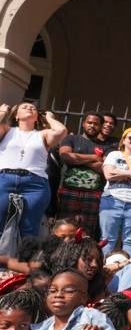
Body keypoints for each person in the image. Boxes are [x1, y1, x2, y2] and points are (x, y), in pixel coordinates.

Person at [0, 102, 68, 238]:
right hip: (4, 179)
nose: (29, 108)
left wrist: (49, 117)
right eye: (24, 107)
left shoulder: (43, 134)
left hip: (34, 183)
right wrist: (2, 113)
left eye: (33, 108)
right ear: (16, 116)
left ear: (37, 117)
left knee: (29, 230)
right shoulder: (7, 130)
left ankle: (24, 258)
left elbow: (61, 131)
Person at [98, 128, 131, 257]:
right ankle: (104, 271)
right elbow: (109, 175)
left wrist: (123, 172)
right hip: (112, 200)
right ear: (124, 140)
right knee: (107, 239)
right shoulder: (114, 155)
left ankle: (125, 272)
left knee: (130, 241)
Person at [55, 111, 107, 239]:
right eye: (89, 122)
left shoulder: (106, 146)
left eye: (96, 124)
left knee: (86, 232)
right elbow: (66, 156)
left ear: (101, 127)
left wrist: (78, 159)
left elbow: (103, 167)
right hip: (69, 190)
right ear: (83, 123)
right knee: (64, 227)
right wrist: (94, 157)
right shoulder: (71, 139)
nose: (92, 126)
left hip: (93, 193)